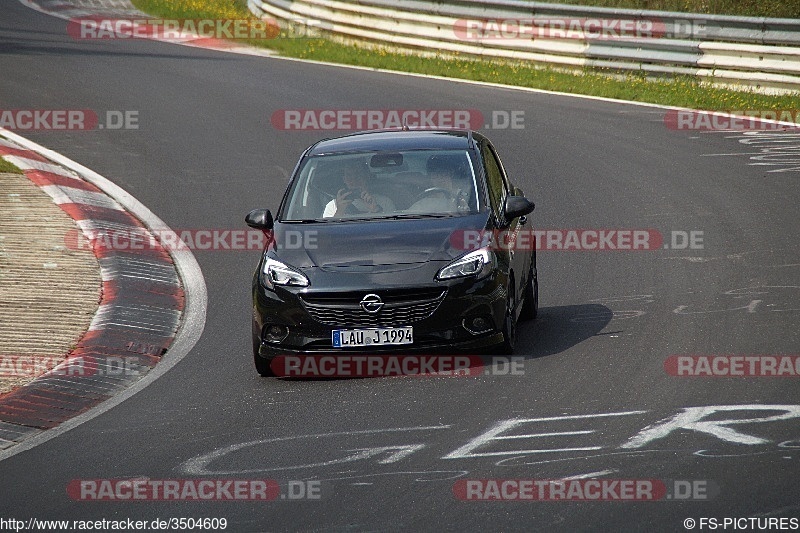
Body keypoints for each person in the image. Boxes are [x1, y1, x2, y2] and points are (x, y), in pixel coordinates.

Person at [322, 162, 395, 217]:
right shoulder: (333, 206)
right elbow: (328, 234)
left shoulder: (385, 202)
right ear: (344, 179)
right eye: (349, 175)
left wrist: (375, 210)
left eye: (358, 175)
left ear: (366, 177)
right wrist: (340, 211)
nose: (353, 180)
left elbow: (390, 230)